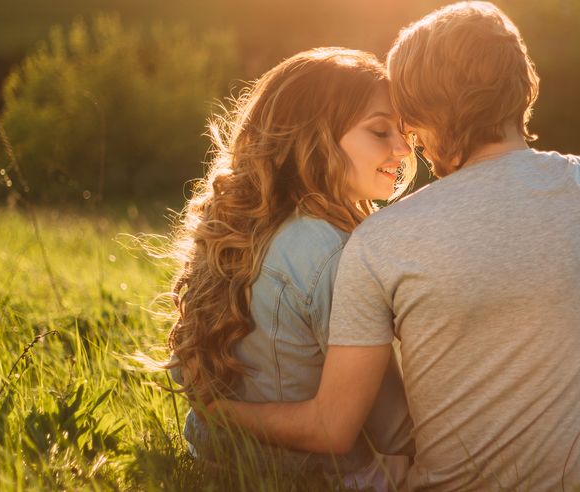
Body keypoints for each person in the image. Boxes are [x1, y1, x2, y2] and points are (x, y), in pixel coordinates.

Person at [208, 3, 580, 491]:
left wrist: (220, 414)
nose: (411, 144)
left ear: (428, 114)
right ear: (523, 91)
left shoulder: (378, 241)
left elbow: (334, 423)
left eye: (409, 124)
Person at [162, 47, 416, 490]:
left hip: (219, 462)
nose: (402, 148)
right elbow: (396, 431)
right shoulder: (334, 253)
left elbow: (190, 374)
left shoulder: (244, 229)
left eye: (403, 131)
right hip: (316, 477)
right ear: (313, 138)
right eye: (380, 131)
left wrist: (215, 415)